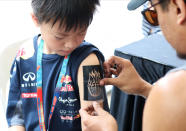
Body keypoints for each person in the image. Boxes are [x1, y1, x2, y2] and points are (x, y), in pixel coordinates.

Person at [80, 0, 186, 130]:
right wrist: (144, 88)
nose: (156, 30)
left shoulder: (175, 88)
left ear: (179, 9)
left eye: (153, 14)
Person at [6, 0, 109, 131]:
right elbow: (17, 115)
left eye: (81, 33)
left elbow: (93, 122)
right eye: (60, 36)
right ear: (36, 19)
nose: (71, 44)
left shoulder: (89, 62)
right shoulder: (24, 55)